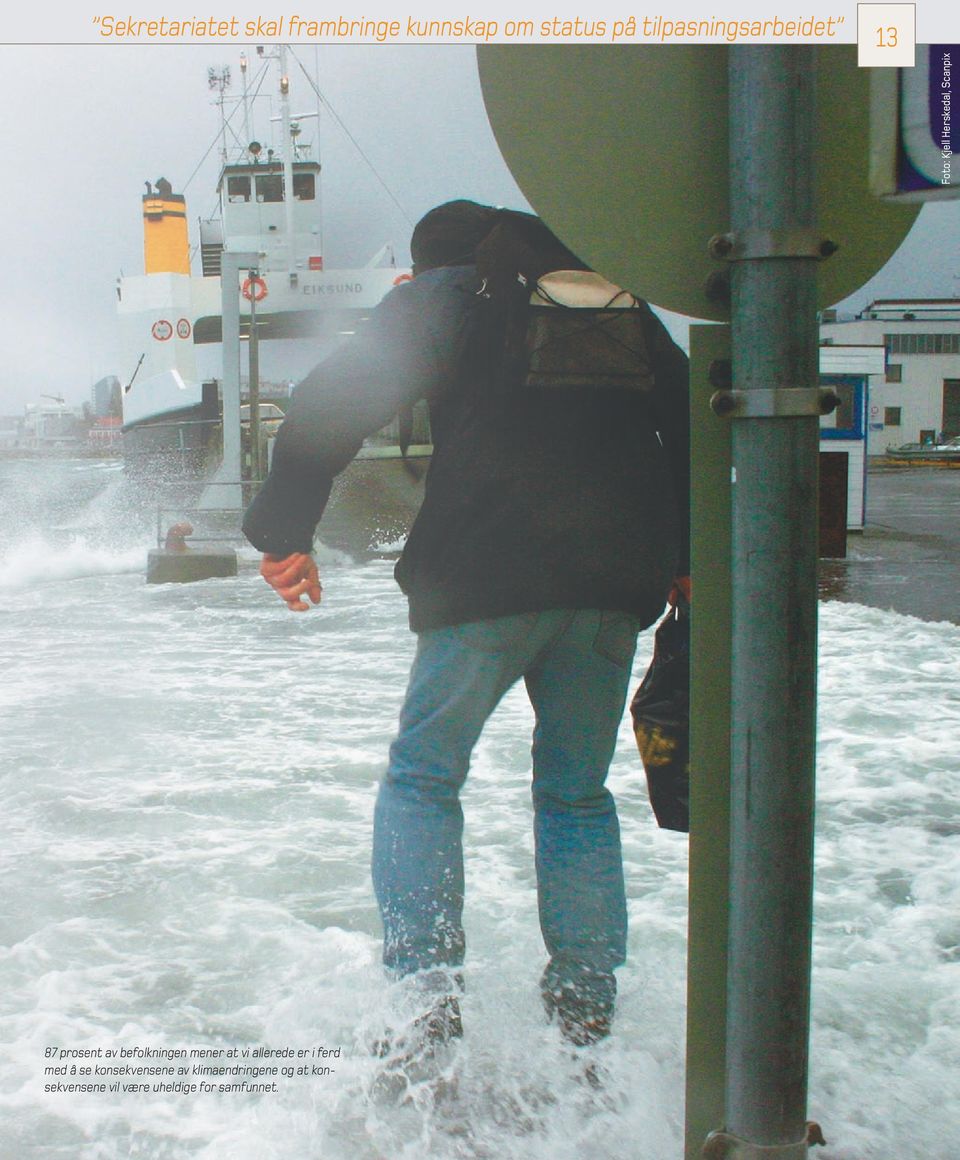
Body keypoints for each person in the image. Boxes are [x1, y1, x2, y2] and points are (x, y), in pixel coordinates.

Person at [242, 200, 690, 1055]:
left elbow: (332, 399)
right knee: (575, 794)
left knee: (423, 777)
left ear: (422, 268)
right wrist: (688, 555)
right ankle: (586, 1012)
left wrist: (284, 533)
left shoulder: (451, 296)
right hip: (610, 584)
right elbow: (690, 418)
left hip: (487, 572)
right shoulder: (613, 296)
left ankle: (425, 1003)